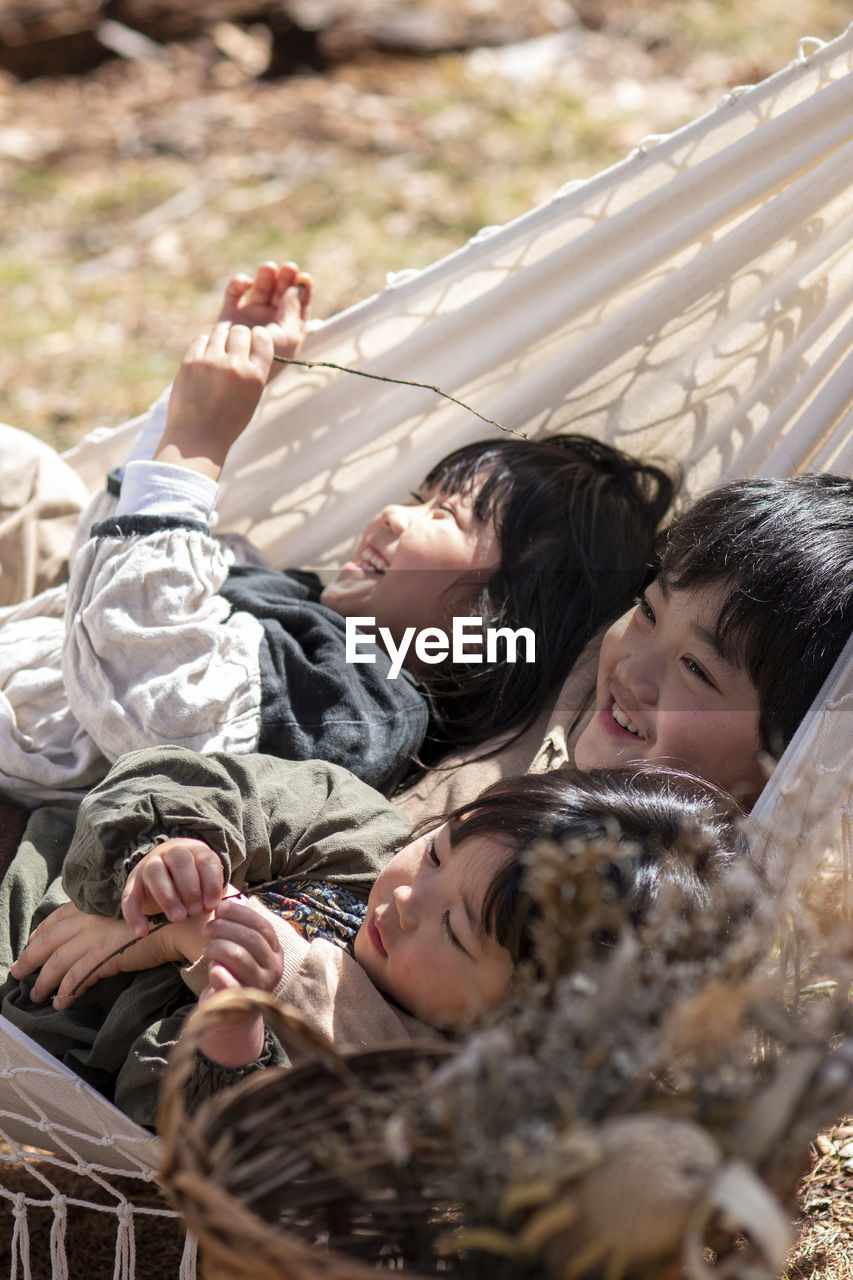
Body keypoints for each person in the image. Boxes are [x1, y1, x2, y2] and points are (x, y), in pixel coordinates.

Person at [0, 261, 674, 807]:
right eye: (416, 497)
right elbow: (103, 570)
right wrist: (205, 392)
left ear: (489, 619)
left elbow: (151, 701)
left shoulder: (362, 710)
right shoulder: (297, 598)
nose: (390, 515)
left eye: (444, 516)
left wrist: (195, 444)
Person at [0, 744, 753, 1124]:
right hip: (39, 871)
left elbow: (182, 1137)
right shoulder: (364, 840)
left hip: (31, 1046)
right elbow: (220, 786)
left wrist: (227, 1036)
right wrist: (166, 857)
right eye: (435, 852)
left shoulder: (388, 1076)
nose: (407, 900)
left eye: (454, 932)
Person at [398, 473, 853, 819]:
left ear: (786, 761)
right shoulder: (578, 677)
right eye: (650, 612)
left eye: (696, 669)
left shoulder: (661, 904)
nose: (632, 673)